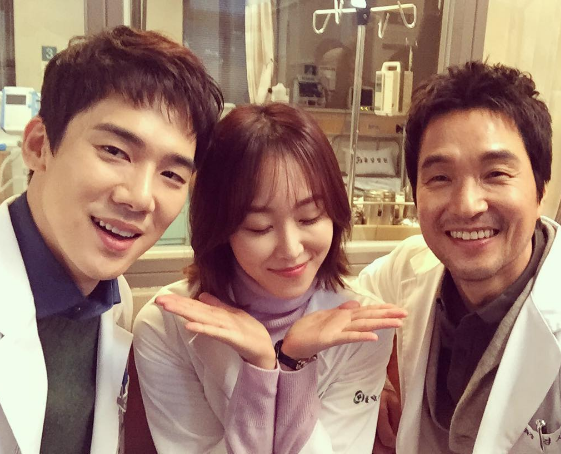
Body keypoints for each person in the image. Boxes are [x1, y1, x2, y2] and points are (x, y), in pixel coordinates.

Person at [133, 102, 408, 453]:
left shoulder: (362, 327)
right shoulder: (165, 326)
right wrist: (260, 370)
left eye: (310, 218)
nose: (291, 249)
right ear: (220, 229)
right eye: (259, 227)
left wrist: (293, 364)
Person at [0, 26, 222, 454]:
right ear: (39, 145)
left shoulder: (113, 301)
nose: (140, 197)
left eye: (172, 174)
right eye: (115, 152)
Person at [359, 61, 560, 454]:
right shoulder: (406, 268)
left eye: (496, 174)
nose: (467, 205)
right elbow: (342, 304)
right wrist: (366, 376)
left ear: (541, 190)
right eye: (440, 178)